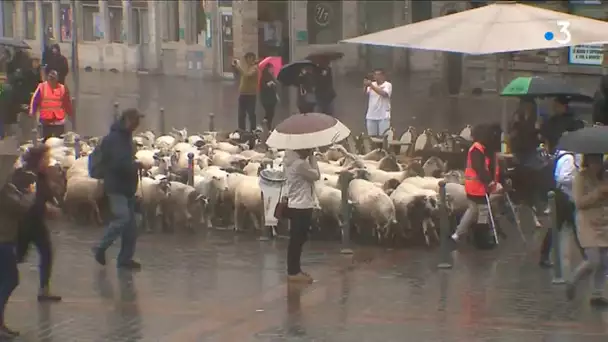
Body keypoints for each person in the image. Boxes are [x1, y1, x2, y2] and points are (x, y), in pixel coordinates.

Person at [93, 109, 145, 270]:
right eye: (136, 121)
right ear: (128, 120)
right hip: (116, 186)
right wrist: (135, 165)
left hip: (127, 186)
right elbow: (118, 164)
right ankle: (100, 247)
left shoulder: (125, 137)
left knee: (131, 225)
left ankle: (124, 259)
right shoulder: (116, 139)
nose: (137, 125)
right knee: (122, 218)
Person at [16, 144, 63, 302]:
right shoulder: (25, 176)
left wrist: (53, 200)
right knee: (17, 256)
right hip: (24, 223)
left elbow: (44, 195)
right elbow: (26, 199)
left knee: (46, 252)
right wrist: (45, 207)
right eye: (46, 158)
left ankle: (44, 289)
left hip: (36, 223)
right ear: (38, 159)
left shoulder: (42, 176)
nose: (48, 161)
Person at [566, 154, 608, 307]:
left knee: (604, 261)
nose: (597, 164)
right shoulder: (580, 177)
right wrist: (597, 194)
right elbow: (579, 202)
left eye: (599, 160)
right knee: (593, 259)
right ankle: (573, 280)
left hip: (603, 221)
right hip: (587, 223)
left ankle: (597, 294)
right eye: (593, 161)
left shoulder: (604, 176)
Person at [0, 166, 37, 338]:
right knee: (10, 279)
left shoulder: (6, 187)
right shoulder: (3, 190)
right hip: (3, 240)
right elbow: (20, 207)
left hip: (6, 239)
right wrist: (31, 193)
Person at [451, 123, 503, 242]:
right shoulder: (477, 149)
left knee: (474, 210)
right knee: (482, 210)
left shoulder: (479, 148)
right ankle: (480, 234)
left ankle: (460, 233)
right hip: (477, 186)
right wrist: (489, 181)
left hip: (475, 185)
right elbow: (479, 167)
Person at [539, 148, 586, 268]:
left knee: (563, 226)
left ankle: (544, 255)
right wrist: (576, 177)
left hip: (563, 196)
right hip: (564, 197)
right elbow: (562, 177)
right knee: (573, 227)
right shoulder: (568, 159)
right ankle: (587, 257)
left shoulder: (564, 157)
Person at [283, 149, 320, 283]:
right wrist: (313, 159)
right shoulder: (299, 164)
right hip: (302, 205)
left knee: (296, 240)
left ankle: (295, 270)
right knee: (297, 240)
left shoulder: (289, 162)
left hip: (295, 204)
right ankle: (293, 272)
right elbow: (316, 176)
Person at [29, 70, 73, 141]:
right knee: (46, 141)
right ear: (48, 78)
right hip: (45, 120)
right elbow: (35, 100)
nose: (52, 81)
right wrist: (32, 112)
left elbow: (66, 102)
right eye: (50, 78)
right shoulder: (42, 87)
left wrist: (70, 112)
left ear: (57, 79)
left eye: (53, 79)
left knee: (59, 141)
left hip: (59, 120)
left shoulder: (62, 88)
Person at [233, 52, 258, 131]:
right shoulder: (246, 67)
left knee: (251, 114)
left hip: (251, 95)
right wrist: (235, 67)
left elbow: (247, 75)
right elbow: (239, 74)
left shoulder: (255, 68)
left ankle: (253, 130)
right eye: (247, 58)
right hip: (243, 94)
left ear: (252, 59)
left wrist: (239, 67)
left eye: (249, 58)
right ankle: (241, 130)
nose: (248, 60)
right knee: (241, 114)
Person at [364, 69, 392, 137]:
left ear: (383, 76)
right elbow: (365, 93)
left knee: (383, 137)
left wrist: (371, 86)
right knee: (372, 138)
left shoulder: (387, 85)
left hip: (383, 116)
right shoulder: (372, 84)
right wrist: (365, 85)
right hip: (371, 116)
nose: (376, 76)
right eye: (375, 74)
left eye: (378, 74)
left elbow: (384, 94)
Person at [259, 64, 278, 130]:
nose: (272, 70)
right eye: (271, 68)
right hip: (266, 97)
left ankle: (267, 121)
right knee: (269, 111)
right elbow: (263, 86)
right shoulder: (264, 77)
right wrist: (269, 84)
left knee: (271, 112)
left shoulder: (272, 76)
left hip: (272, 98)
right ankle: (268, 126)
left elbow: (275, 87)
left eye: (272, 68)